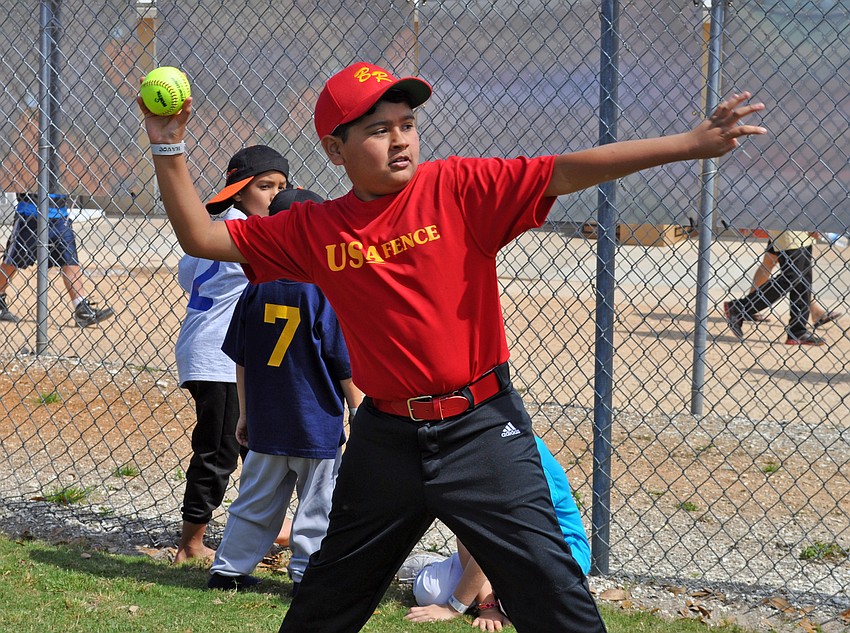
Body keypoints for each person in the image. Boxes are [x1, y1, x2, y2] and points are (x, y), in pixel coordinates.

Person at [138, 61, 765, 632]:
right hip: (386, 439)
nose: (402, 138)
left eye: (407, 123)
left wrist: (691, 144)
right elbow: (198, 235)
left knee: (556, 597)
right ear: (336, 149)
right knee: (327, 602)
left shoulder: (459, 189)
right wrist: (169, 143)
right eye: (379, 129)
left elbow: (567, 168)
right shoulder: (313, 229)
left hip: (482, 428)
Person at [207, 187, 362, 593]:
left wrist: (244, 413)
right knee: (317, 505)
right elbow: (344, 365)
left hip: (267, 420)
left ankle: (228, 571)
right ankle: (305, 578)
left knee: (254, 500)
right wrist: (360, 412)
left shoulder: (256, 287)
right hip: (316, 423)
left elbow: (240, 358)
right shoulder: (324, 289)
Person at [173, 145, 290, 563]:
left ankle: (269, 527)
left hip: (209, 350)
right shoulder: (250, 236)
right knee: (218, 450)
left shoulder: (214, 227)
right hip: (219, 359)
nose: (274, 195)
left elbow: (191, 280)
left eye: (281, 186)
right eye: (264, 186)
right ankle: (191, 543)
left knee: (252, 447)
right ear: (239, 192)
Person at [401, 436, 591, 631]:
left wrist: (457, 606)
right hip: (493, 552)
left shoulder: (521, 456)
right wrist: (486, 606)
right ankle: (429, 567)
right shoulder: (468, 447)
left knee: (529, 605)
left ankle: (490, 589)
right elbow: (473, 530)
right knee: (430, 593)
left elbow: (506, 535)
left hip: (553, 551)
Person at [0, 192, 114, 326]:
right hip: (30, 215)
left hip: (60, 216)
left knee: (70, 259)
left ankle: (81, 307)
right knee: (12, 262)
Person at [723, 230, 826, 346]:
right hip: (788, 225)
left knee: (803, 278)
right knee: (792, 276)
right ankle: (740, 307)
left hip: (803, 226)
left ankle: (798, 330)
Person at [748, 240, 841, 328]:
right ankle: (748, 306)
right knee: (792, 269)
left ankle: (749, 306)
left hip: (791, 230)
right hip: (788, 231)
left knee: (772, 261)